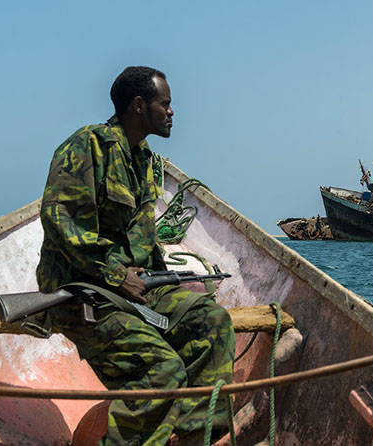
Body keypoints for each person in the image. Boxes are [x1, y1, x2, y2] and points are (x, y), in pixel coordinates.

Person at [36, 66, 235, 446]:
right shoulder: (86, 146)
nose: (172, 112)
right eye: (166, 104)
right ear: (140, 105)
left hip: (133, 287)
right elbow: (61, 223)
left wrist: (163, 281)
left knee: (213, 323)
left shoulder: (143, 159)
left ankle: (197, 436)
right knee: (163, 369)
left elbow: (143, 239)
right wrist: (114, 275)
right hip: (81, 291)